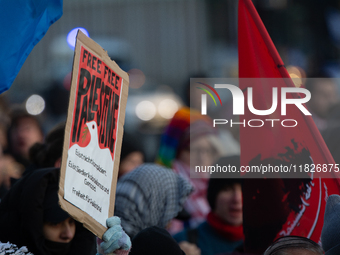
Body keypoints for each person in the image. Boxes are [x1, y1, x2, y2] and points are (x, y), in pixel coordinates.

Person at [157, 107, 225, 233]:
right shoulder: (164, 187)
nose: (201, 158)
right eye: (193, 150)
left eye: (208, 150)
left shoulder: (221, 184)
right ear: (176, 151)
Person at [173, 156, 244, 255]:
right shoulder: (182, 243)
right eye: (227, 189)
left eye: (245, 189)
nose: (237, 198)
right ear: (213, 196)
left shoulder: (268, 244)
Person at [114, 163, 193, 238]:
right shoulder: (119, 246)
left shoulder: (109, 234)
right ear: (150, 205)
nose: (169, 225)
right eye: (166, 216)